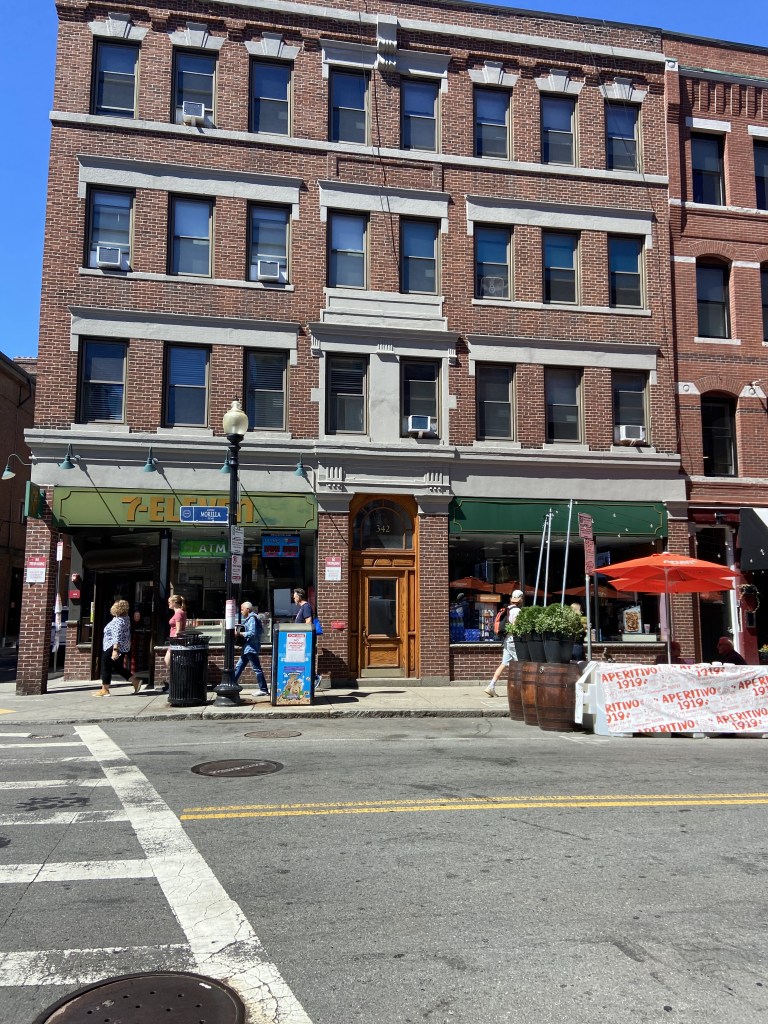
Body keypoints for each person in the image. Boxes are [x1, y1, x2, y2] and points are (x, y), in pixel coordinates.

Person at [95, 599, 138, 696]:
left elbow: (117, 636)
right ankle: (135, 682)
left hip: (113, 646)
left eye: (114, 605)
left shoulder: (118, 621)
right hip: (122, 646)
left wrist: (115, 650)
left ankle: (105, 689)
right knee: (117, 667)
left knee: (105, 664)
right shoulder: (126, 619)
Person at [485, 589, 524, 697]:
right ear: (521, 599)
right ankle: (518, 690)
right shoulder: (517, 611)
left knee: (503, 664)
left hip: (506, 640)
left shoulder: (507, 609)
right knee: (520, 665)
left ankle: (491, 686)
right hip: (513, 640)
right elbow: (515, 627)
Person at [234, 601, 268, 696]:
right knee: (239, 666)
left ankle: (263, 689)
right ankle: (232, 682)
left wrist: (239, 633)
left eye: (242, 609)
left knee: (256, 669)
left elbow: (252, 633)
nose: (241, 611)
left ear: (247, 609)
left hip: (251, 647)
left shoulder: (252, 618)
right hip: (248, 647)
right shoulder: (251, 618)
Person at [162, 594, 187, 692]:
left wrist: (175, 640)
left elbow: (179, 630)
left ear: (175, 603)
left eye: (169, 602)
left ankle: (177, 682)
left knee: (168, 661)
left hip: (176, 642)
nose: (168, 603)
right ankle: (176, 682)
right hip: (174, 641)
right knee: (170, 662)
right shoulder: (180, 612)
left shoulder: (179, 613)